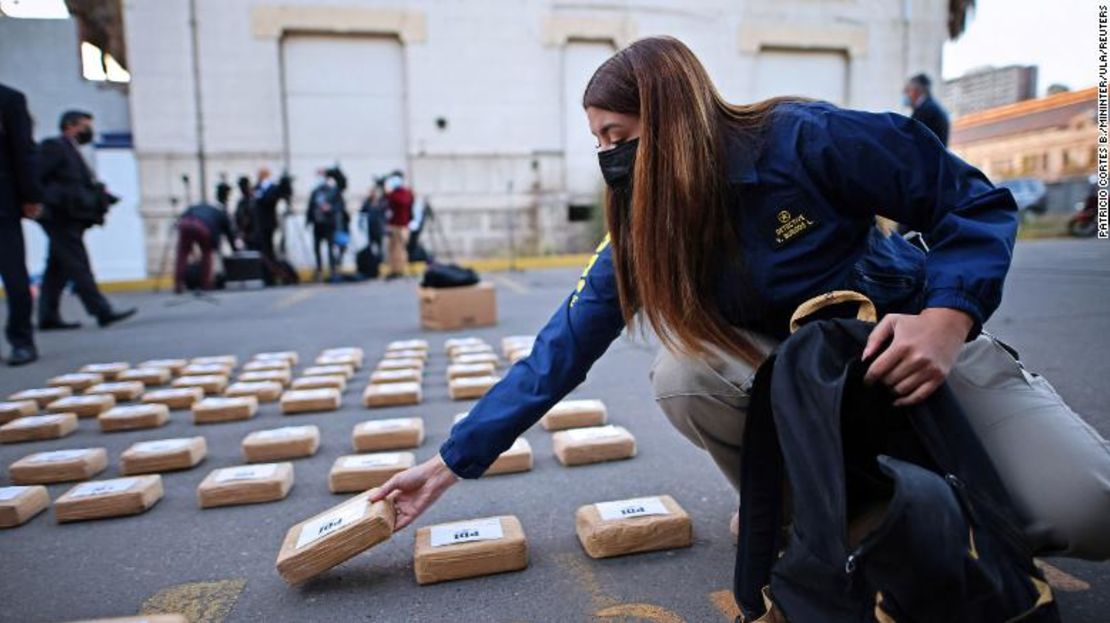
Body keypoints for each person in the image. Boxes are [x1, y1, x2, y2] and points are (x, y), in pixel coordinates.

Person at [373, 37, 1110, 562]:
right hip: (810, 394)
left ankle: (936, 480)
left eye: (618, 135)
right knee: (683, 373)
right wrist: (448, 463)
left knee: (1090, 510)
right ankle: (809, 508)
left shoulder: (806, 139)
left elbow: (974, 202)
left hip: (915, 351)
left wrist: (946, 321)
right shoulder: (641, 226)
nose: (608, 158)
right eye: (598, 140)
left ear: (673, 118)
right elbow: (560, 348)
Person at [37, 110, 136, 329]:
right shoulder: (54, 146)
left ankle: (47, 315)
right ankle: (101, 310)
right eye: (85, 125)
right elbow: (38, 177)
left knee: (57, 267)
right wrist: (51, 203)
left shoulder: (72, 149)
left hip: (71, 216)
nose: (88, 131)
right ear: (71, 126)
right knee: (78, 263)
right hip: (60, 216)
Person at [0, 83, 41, 366]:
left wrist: (29, 195)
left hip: (3, 205)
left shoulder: (9, 100)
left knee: (15, 277)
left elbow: (22, 151)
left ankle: (22, 340)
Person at [173, 201, 237, 293]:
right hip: (202, 227)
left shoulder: (200, 207)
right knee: (207, 254)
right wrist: (234, 249)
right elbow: (229, 235)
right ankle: (206, 284)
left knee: (182, 254)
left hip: (185, 223)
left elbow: (182, 218)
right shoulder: (221, 215)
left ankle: (178, 284)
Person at [305, 167, 350, 281]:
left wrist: (330, 208)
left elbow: (340, 206)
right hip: (317, 223)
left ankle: (332, 270)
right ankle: (319, 270)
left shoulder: (333, 190)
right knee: (317, 248)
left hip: (329, 224)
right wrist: (308, 220)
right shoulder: (315, 192)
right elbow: (310, 207)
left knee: (331, 247)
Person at [903, 73, 950, 146]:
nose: (906, 95)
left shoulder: (926, 110)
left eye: (907, 90)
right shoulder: (930, 107)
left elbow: (911, 138)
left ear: (916, 91)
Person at [383, 170, 413, 279]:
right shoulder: (393, 194)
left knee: (400, 249)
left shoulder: (403, 193)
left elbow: (404, 202)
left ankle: (401, 269)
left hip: (402, 226)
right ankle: (394, 269)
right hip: (393, 225)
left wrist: (390, 193)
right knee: (392, 249)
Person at [234, 175, 256, 249]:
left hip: (252, 235)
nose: (241, 189)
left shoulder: (252, 200)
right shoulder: (242, 200)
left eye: (242, 187)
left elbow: (248, 217)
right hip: (246, 235)